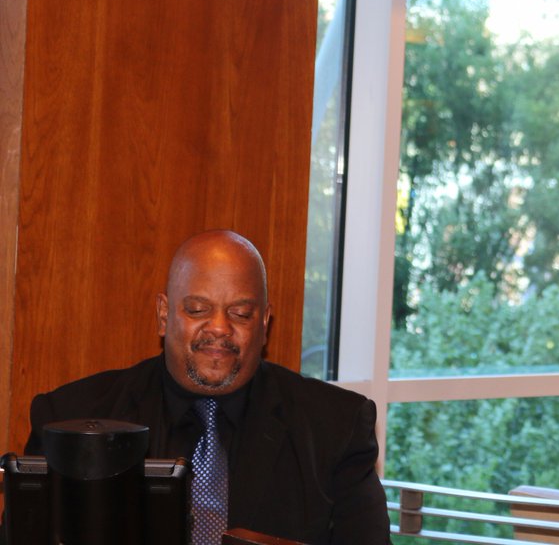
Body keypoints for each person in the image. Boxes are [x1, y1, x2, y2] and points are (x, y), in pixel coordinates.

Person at [19, 230, 390, 545]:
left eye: (240, 314)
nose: (219, 328)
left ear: (264, 322)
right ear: (164, 316)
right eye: (197, 309)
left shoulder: (337, 426)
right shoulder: (68, 418)